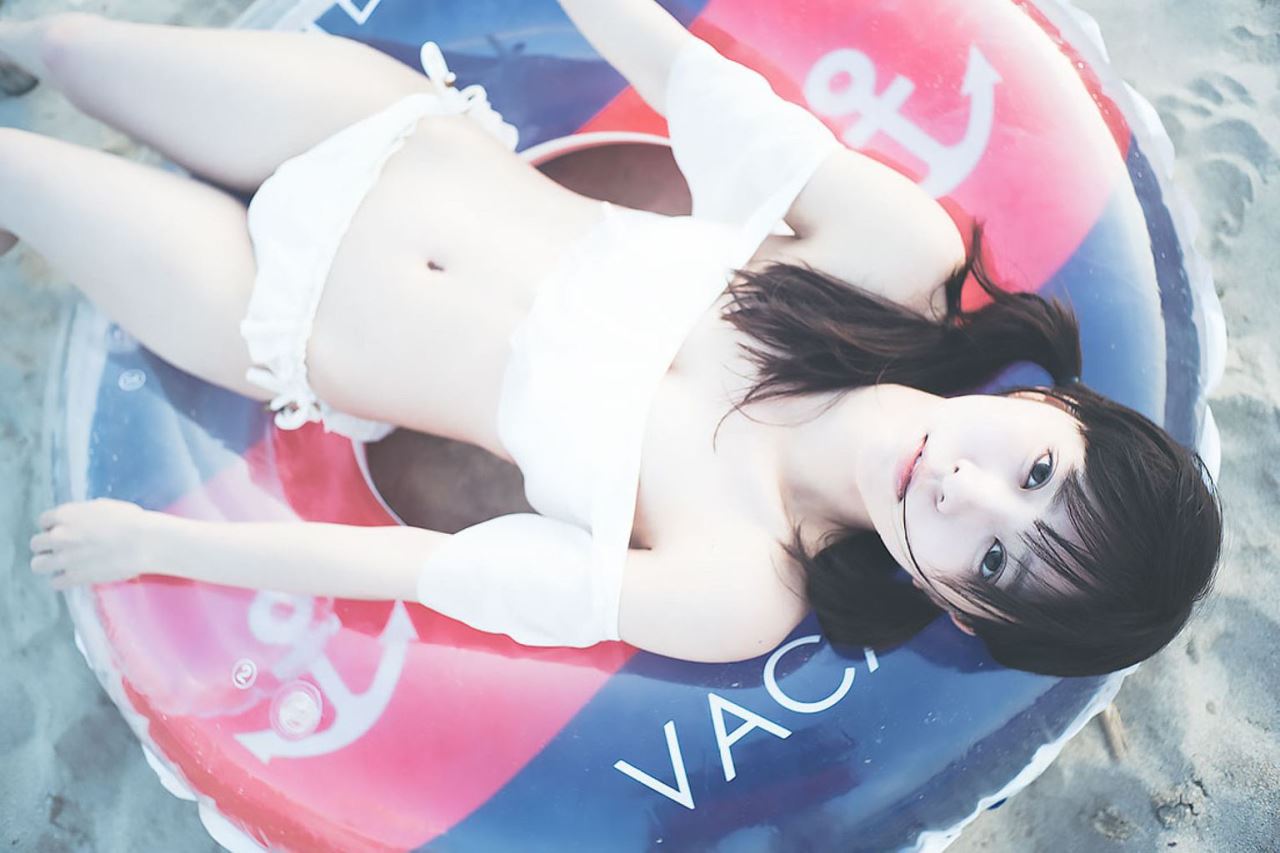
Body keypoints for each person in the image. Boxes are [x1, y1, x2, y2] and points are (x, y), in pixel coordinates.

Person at [2, 0, 1221, 678]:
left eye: (996, 561)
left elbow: (429, 569)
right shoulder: (893, 260)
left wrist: (156, 542)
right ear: (1057, 409)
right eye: (1036, 473)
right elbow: (684, 78)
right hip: (382, 135)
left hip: (275, 316)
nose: (964, 490)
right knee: (57, 46)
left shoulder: (739, 582)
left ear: (962, 613)